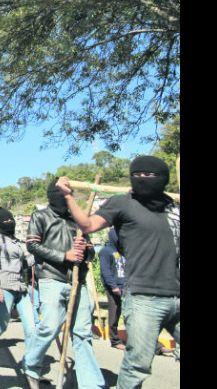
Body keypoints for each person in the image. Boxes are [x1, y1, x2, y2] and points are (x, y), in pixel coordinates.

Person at [56, 155, 180, 389]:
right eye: (138, 175)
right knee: (138, 366)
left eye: (150, 175)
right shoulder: (122, 203)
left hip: (177, 293)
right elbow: (88, 225)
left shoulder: (173, 206)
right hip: (145, 297)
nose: (144, 179)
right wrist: (68, 195)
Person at [23, 180, 105, 389]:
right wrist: (64, 255)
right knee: (50, 327)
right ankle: (31, 365)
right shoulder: (40, 216)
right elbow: (32, 245)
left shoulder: (77, 220)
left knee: (83, 333)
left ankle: (92, 384)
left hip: (78, 282)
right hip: (51, 278)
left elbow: (91, 252)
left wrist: (85, 250)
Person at [0, 208, 35, 369]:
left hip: (21, 287)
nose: (9, 223)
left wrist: (39, 254)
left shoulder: (18, 242)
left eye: (10, 220)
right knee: (2, 324)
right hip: (5, 287)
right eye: (5, 221)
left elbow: (25, 263)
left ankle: (30, 363)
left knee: (31, 327)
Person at [99, 228, 126, 350]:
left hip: (126, 287)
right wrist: (113, 286)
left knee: (132, 315)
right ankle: (114, 341)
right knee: (114, 315)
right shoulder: (106, 251)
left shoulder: (124, 251)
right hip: (114, 289)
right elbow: (105, 271)